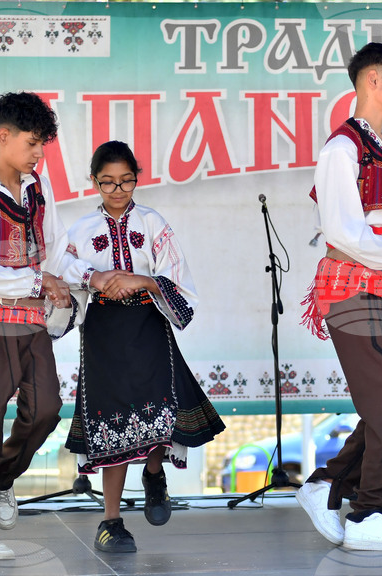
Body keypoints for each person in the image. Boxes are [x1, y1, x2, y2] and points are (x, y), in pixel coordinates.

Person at [0, 91, 116, 560]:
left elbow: (57, 249)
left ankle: (2, 479)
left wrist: (89, 276)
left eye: (43, 144)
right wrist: (41, 279)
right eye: (34, 143)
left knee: (44, 411)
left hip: (29, 326)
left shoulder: (39, 187)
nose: (41, 153)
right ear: (4, 136)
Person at [297, 42, 382, 551]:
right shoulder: (343, 149)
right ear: (372, 80)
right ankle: (368, 513)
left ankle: (328, 484)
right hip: (354, 286)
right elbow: (345, 234)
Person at [64, 140, 226, 552]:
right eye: (108, 183)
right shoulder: (81, 231)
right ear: (93, 181)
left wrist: (143, 280)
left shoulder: (153, 223)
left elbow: (178, 281)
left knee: (159, 410)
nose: (118, 191)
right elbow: (61, 270)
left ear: (137, 178)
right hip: (103, 335)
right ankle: (111, 522)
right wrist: (94, 277)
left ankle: (154, 474)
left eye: (126, 181)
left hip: (149, 327)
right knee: (111, 423)